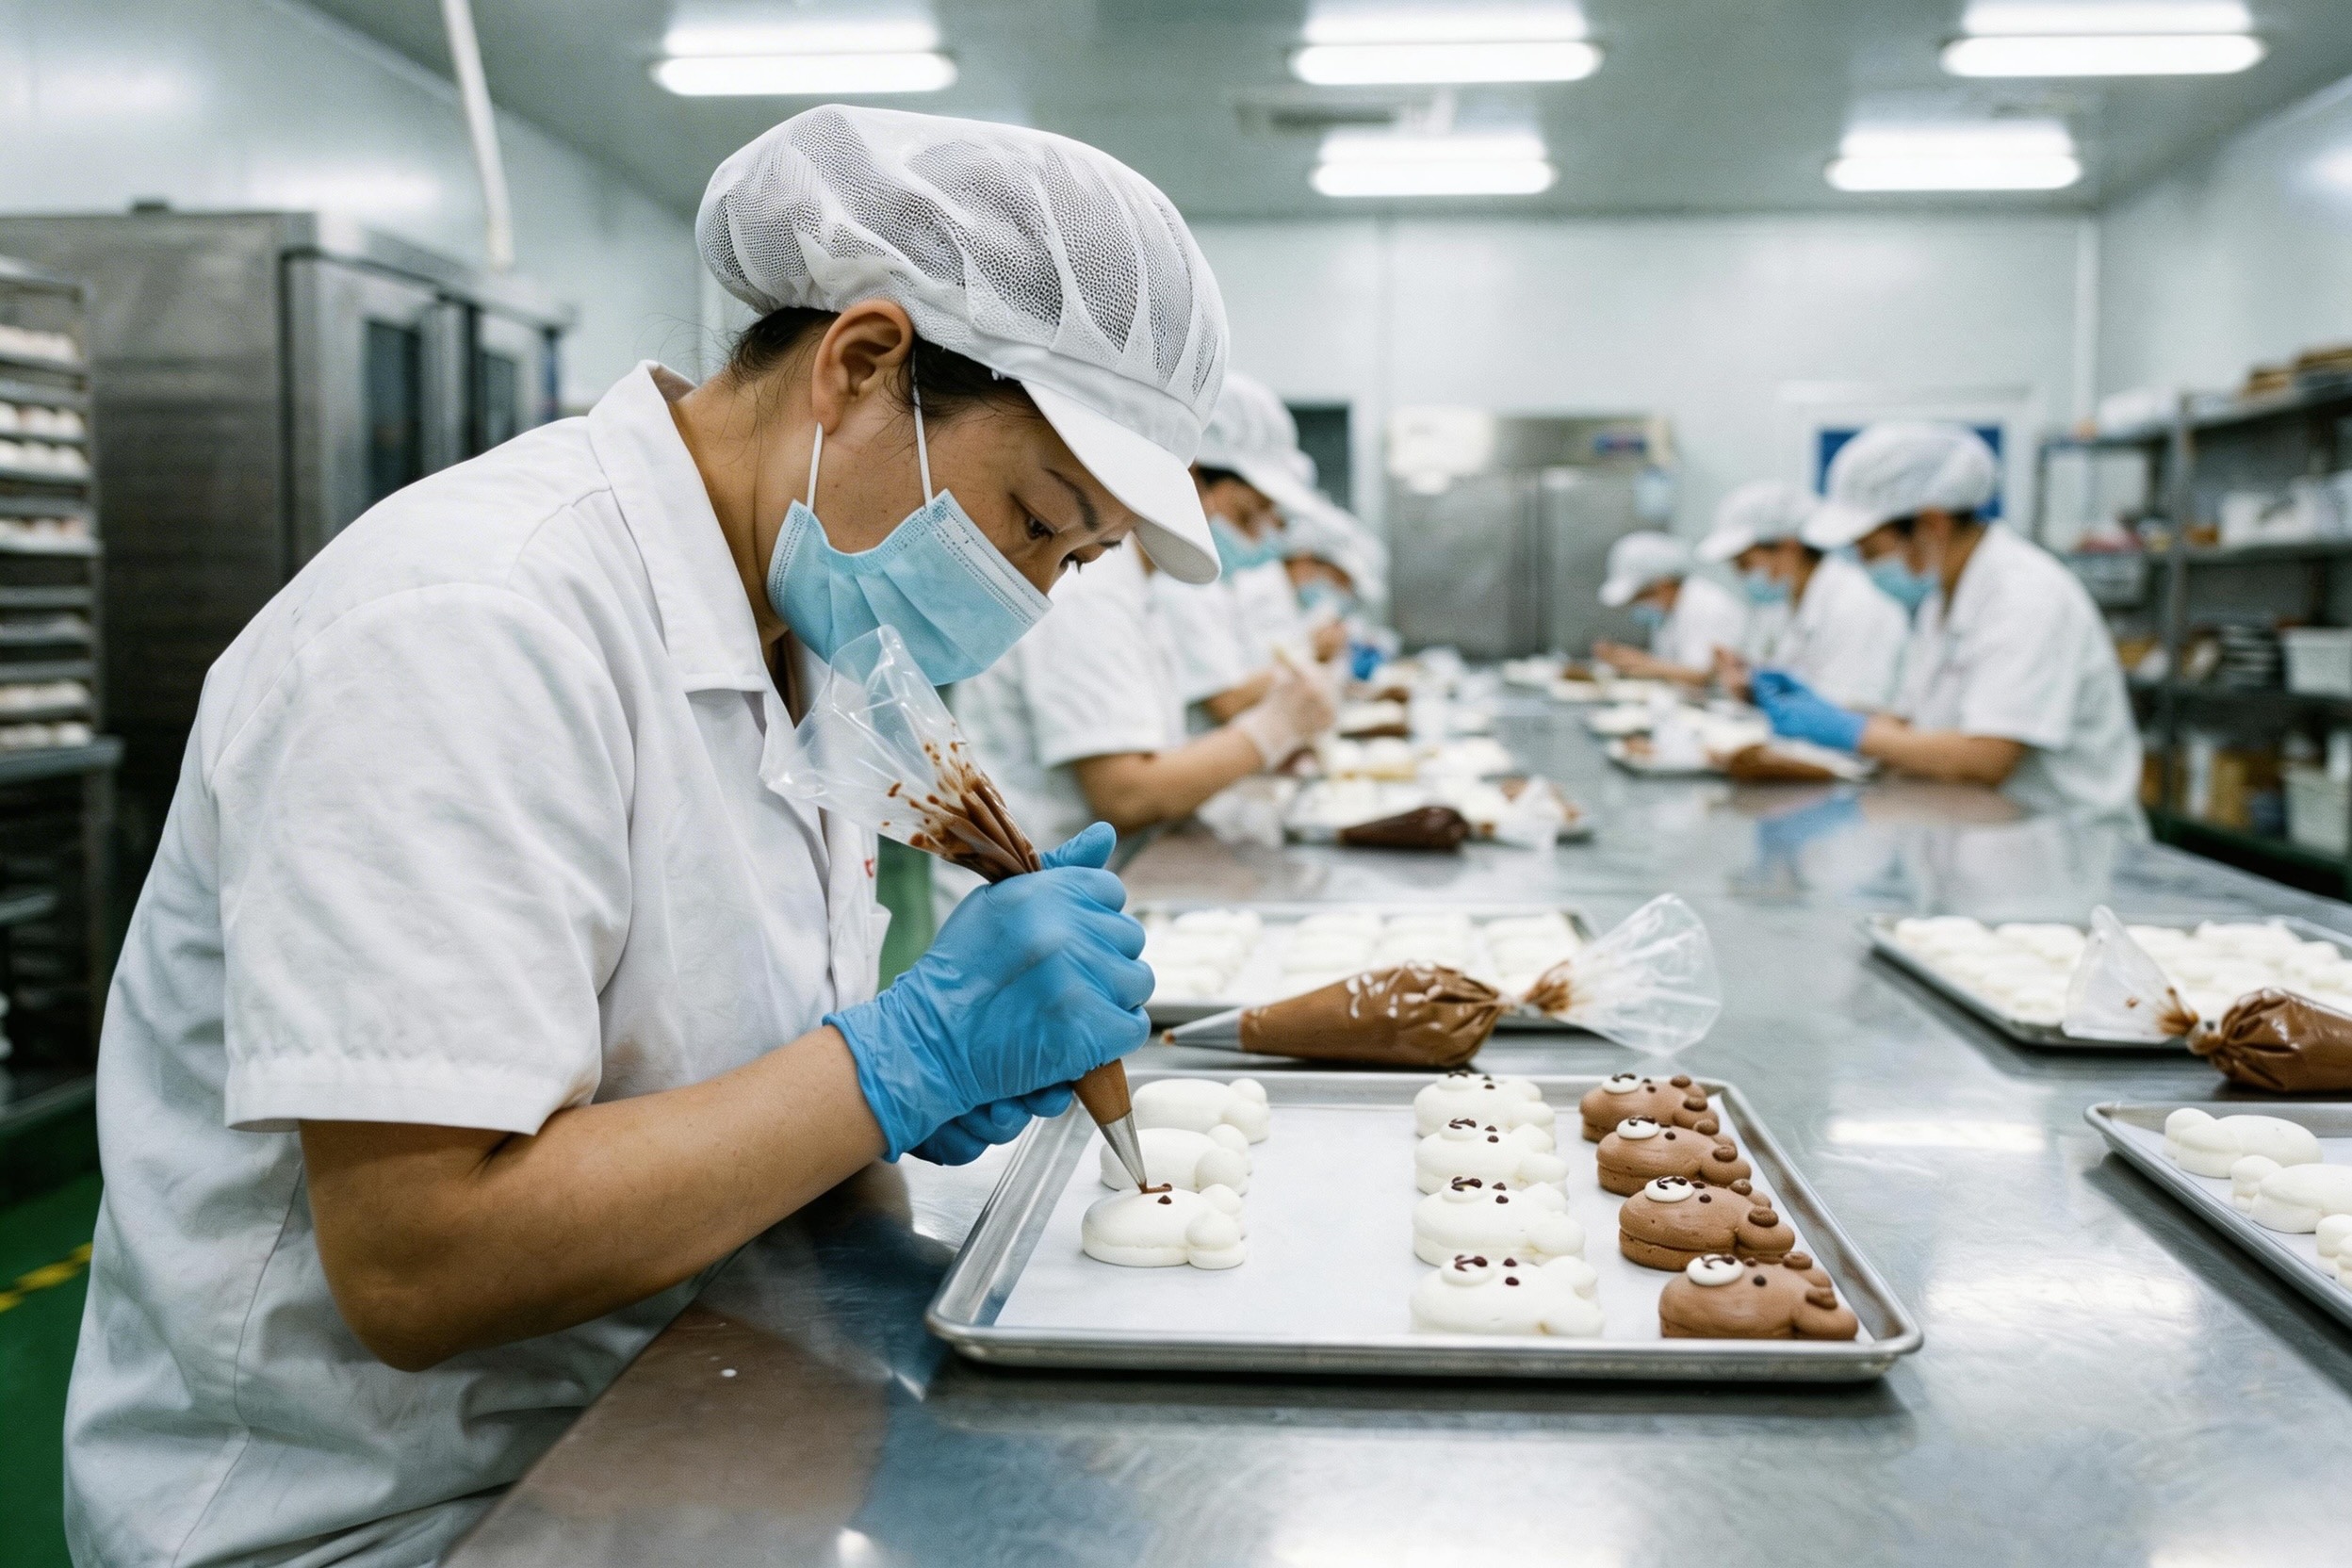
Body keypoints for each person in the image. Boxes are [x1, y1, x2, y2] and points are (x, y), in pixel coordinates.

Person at [65, 105, 1231, 1567]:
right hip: (391, 1514)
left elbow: (723, 1079)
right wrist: (895, 1062)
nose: (1032, 599)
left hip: (668, 1411)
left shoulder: (809, 645)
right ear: (861, 367)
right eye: (1032, 522)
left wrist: (876, 1101)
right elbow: (423, 1263)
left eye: (1077, 560)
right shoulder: (471, 625)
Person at [1753, 421, 2143, 819]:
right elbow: (1914, 721)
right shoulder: (1940, 599)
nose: (1863, 565)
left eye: (1869, 550)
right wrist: (1828, 715)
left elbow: (1988, 758)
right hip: (1982, 827)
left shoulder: (2025, 597)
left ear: (1932, 524)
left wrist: (1852, 731)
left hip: (2067, 841)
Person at [956, 513, 1336, 850]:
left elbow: (1153, 749)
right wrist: (1273, 729)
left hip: (1092, 881)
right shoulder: (1090, 595)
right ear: (1191, 482)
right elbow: (1126, 796)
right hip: (1036, 901)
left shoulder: (1136, 589)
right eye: (1244, 515)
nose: (1255, 535)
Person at [1698, 479, 1908, 710]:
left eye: (1745, 564)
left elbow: (1849, 713)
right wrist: (1749, 679)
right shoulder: (1784, 605)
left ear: (1790, 547)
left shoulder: (1856, 603)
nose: (1743, 577)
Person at [1592, 530, 1748, 687]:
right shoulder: (1671, 612)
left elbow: (1703, 675)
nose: (1640, 606)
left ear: (1663, 584)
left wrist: (1644, 664)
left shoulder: (1706, 605)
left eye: (1641, 597)